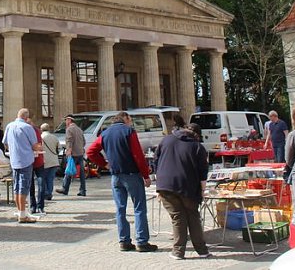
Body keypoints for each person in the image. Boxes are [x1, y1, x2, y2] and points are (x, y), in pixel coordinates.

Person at [87, 111, 157, 253]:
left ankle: (124, 241)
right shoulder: (128, 131)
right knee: (139, 208)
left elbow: (90, 152)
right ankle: (142, 241)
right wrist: (146, 175)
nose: (131, 122)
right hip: (131, 174)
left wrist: (104, 164)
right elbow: (137, 154)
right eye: (130, 119)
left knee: (120, 209)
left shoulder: (105, 133)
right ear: (125, 119)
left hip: (115, 176)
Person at [154, 119, 210, 260]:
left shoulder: (166, 140)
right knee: (192, 216)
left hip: (165, 184)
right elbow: (203, 172)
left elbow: (156, 161)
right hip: (187, 186)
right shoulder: (197, 147)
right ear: (196, 135)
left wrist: (158, 183)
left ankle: (178, 251)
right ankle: (202, 251)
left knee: (178, 217)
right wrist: (203, 190)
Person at [2, 108, 40, 224]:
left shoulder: (9, 126)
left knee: (17, 187)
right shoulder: (27, 128)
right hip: (26, 160)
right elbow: (34, 146)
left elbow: (6, 143)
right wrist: (39, 148)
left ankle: (20, 211)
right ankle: (23, 214)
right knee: (24, 187)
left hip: (14, 160)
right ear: (26, 117)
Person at [57, 114, 86, 196]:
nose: (65, 122)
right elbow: (84, 142)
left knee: (68, 170)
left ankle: (65, 189)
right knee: (81, 173)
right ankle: (83, 190)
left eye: (66, 120)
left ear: (69, 120)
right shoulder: (79, 129)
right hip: (80, 153)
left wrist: (69, 150)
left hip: (73, 153)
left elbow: (69, 140)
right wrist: (80, 148)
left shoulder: (69, 129)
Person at [25, 117, 45, 215]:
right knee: (39, 184)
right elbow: (39, 145)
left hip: (32, 161)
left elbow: (38, 145)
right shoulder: (37, 131)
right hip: (36, 160)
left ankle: (34, 206)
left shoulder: (30, 131)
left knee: (32, 184)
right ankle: (39, 206)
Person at [40, 122, 60, 203]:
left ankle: (45, 193)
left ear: (41, 129)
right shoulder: (54, 137)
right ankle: (49, 193)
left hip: (45, 160)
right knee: (50, 178)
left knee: (43, 178)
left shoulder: (41, 137)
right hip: (54, 160)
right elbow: (58, 148)